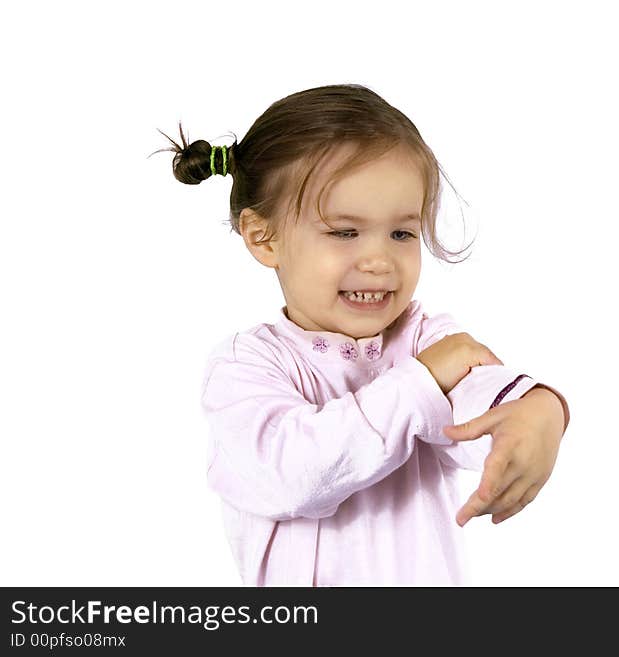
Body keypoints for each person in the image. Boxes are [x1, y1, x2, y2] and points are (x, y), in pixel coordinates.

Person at [153, 83, 571, 586]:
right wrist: (419, 383)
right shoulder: (246, 367)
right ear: (264, 238)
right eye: (345, 232)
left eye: (402, 233)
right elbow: (293, 475)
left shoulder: (424, 340)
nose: (379, 261)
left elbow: (480, 402)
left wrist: (539, 409)